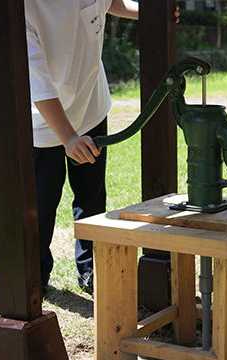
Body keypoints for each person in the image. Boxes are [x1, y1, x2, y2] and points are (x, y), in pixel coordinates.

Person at [24, 0, 179, 295]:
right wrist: (68, 137)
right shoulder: (22, 9)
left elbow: (110, 3)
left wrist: (147, 11)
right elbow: (38, 82)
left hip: (90, 103)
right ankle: (36, 277)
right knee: (41, 203)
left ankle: (91, 270)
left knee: (91, 195)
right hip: (42, 118)